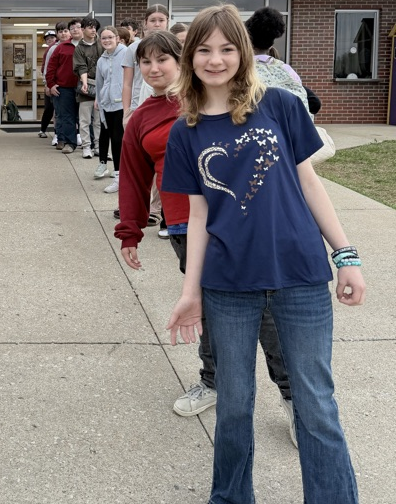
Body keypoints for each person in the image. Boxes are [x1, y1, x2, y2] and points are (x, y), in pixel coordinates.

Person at [162, 4, 366, 504]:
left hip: (300, 277)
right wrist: (189, 292)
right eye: (204, 50)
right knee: (235, 402)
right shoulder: (187, 131)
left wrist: (345, 255)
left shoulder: (278, 106)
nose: (216, 60)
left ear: (243, 54)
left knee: (316, 405)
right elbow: (197, 216)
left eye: (227, 49)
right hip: (228, 284)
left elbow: (309, 180)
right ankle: (231, 497)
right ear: (190, 59)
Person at [116, 31, 295, 436]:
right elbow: (133, 177)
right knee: (208, 307)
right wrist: (130, 231)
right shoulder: (141, 119)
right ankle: (213, 381)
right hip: (185, 226)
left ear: (183, 61)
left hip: (242, 222)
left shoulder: (208, 101)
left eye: (164, 59)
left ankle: (292, 396)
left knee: (265, 310)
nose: (154, 68)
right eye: (146, 61)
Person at [122, 4, 169, 121]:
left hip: (168, 104)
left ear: (167, 21)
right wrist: (126, 112)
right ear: (145, 22)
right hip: (139, 105)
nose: (157, 24)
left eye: (161, 20)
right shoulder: (133, 48)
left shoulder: (173, 46)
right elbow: (127, 84)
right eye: (153, 20)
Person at [94, 27, 126, 193]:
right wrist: (99, 101)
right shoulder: (101, 60)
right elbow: (100, 83)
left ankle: (120, 177)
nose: (106, 41)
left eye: (110, 37)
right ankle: (117, 176)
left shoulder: (127, 53)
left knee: (119, 140)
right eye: (103, 38)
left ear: (118, 38)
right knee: (111, 139)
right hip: (107, 104)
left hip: (122, 104)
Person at [45, 23, 79, 154]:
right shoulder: (60, 47)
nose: (65, 33)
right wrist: (51, 84)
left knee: (85, 117)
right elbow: (50, 67)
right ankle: (68, 142)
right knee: (66, 116)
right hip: (63, 87)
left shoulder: (86, 46)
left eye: (66, 30)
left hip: (83, 87)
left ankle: (90, 144)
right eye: (62, 31)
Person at [73, 18, 102, 159]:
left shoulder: (102, 44)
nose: (93, 30)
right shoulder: (79, 48)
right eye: (90, 27)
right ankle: (86, 147)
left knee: (99, 120)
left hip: (102, 87)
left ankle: (98, 147)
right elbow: (81, 67)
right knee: (85, 120)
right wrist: (85, 83)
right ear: (83, 29)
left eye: (95, 27)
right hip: (87, 87)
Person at [38, 30, 57, 139]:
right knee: (49, 108)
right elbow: (44, 69)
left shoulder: (56, 49)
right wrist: (46, 84)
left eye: (52, 38)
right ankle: (43, 129)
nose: (50, 40)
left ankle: (57, 132)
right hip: (49, 83)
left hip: (57, 83)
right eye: (47, 39)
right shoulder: (47, 51)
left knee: (57, 110)